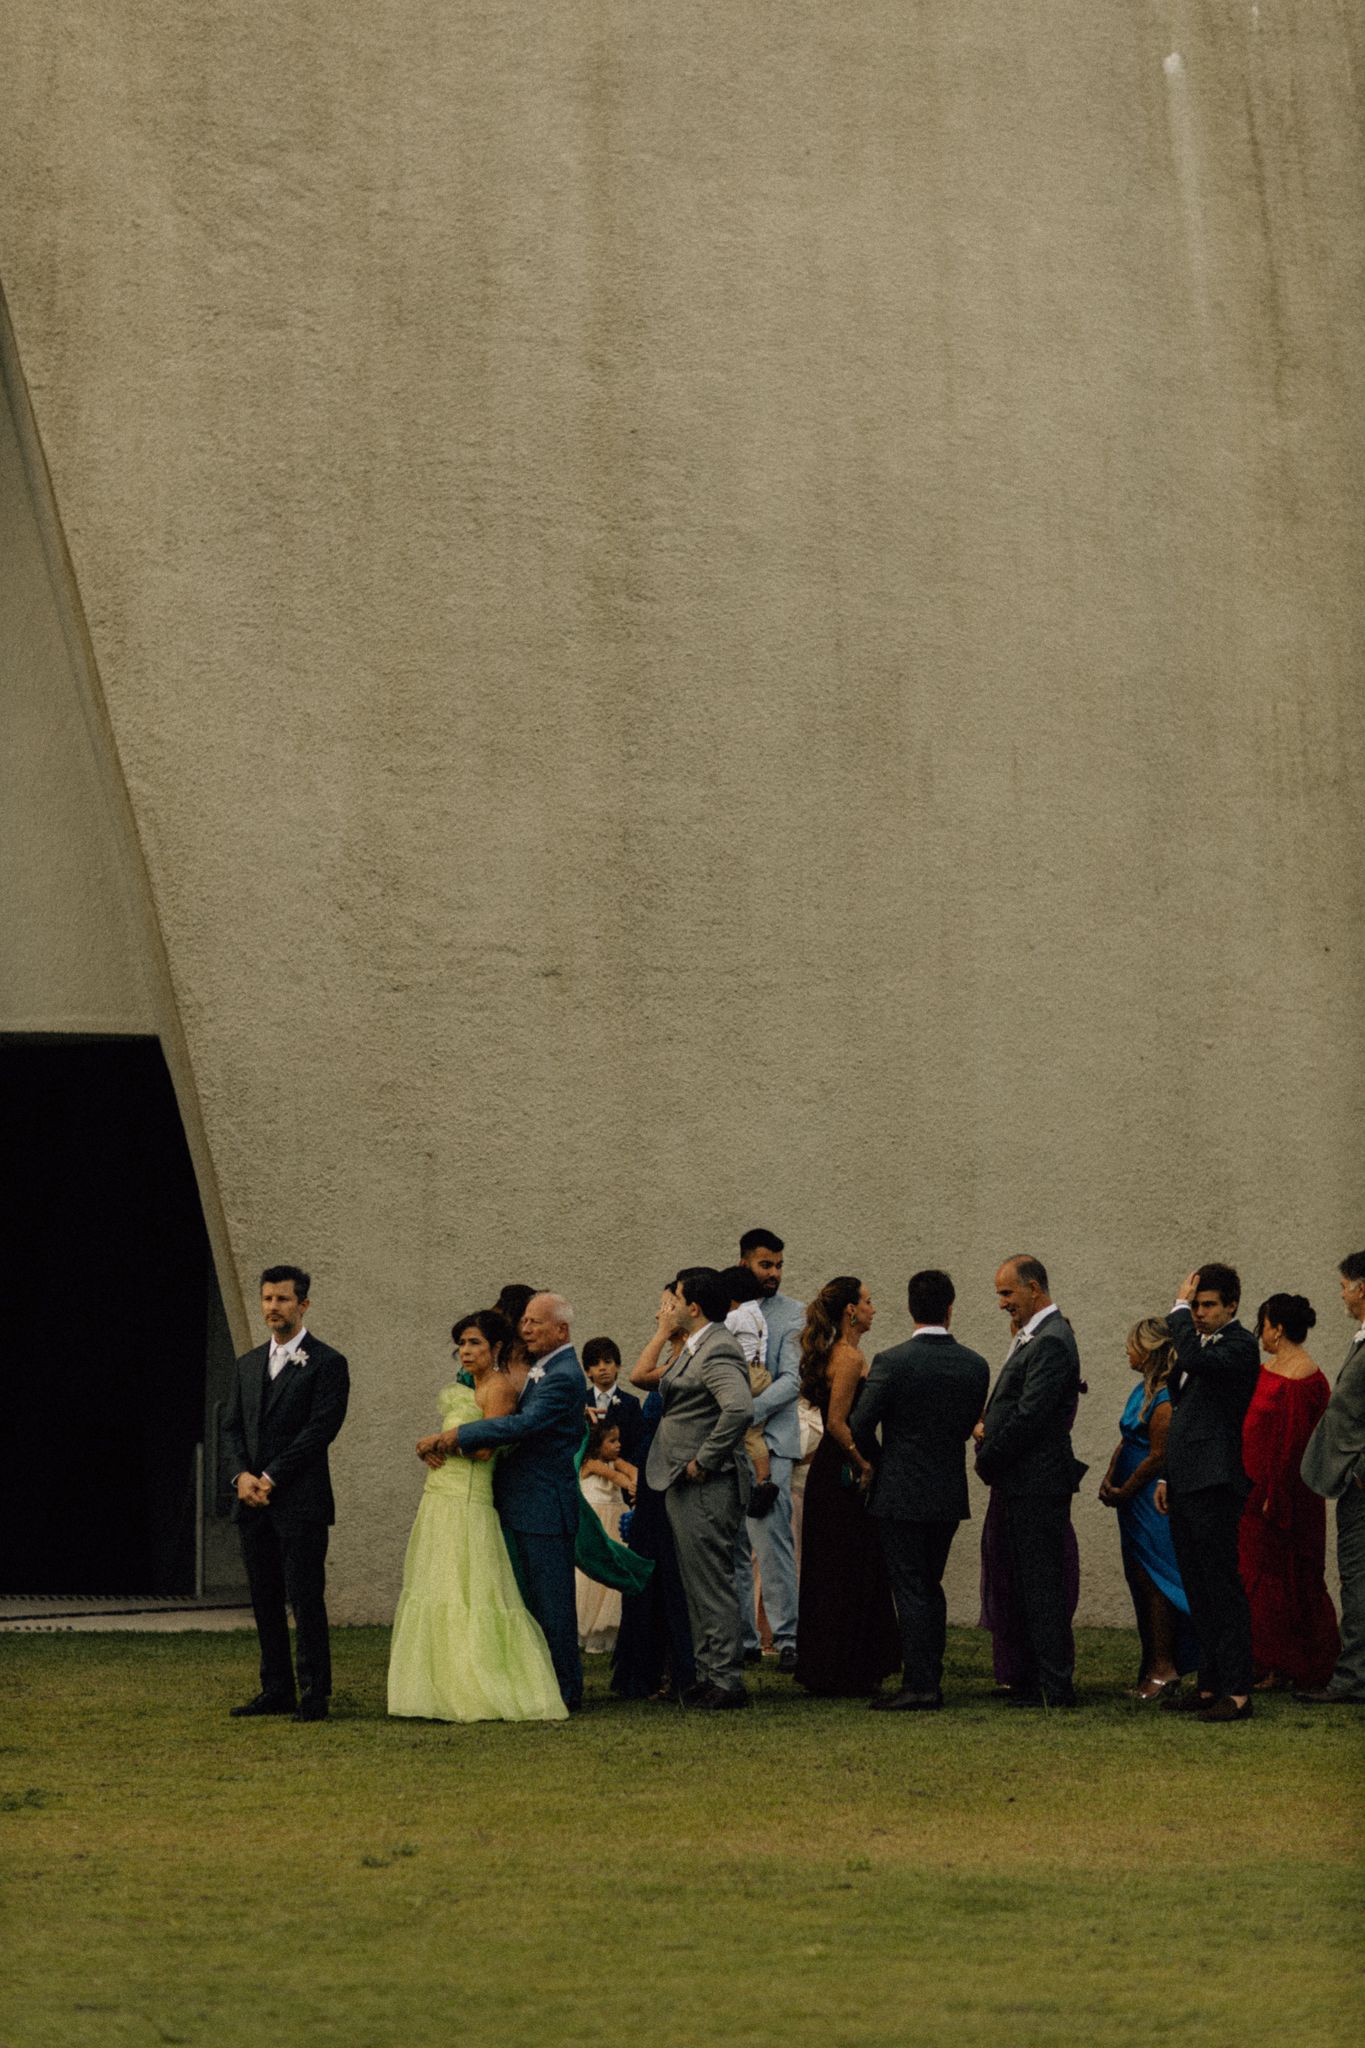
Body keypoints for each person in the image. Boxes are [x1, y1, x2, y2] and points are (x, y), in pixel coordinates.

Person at [388, 1312, 566, 1722]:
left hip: (469, 1499)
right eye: (461, 1345)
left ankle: (476, 1685)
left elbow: (486, 1447)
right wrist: (429, 1447)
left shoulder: (499, 1388)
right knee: (439, 1587)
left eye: (474, 1344)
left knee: (470, 1592)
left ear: (496, 1348)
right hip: (442, 1496)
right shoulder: (470, 1387)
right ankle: (439, 1687)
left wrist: (437, 1441)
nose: (466, 1353)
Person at [418, 1291, 586, 1712]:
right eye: (525, 1321)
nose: (526, 1328)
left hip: (545, 1505)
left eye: (536, 1323)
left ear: (561, 1330)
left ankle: (566, 1690)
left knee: (554, 1605)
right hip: (521, 1501)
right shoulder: (539, 1370)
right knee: (530, 1601)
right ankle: (542, 1683)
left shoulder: (564, 1374)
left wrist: (453, 1437)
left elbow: (524, 1424)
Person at [852, 1269, 989, 1710]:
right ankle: (931, 1676)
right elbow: (969, 1425)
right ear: (951, 1308)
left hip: (900, 1489)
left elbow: (859, 1424)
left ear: (911, 1308)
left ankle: (921, 1684)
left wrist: (879, 1460)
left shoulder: (892, 1361)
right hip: (948, 1488)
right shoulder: (974, 1365)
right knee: (931, 1584)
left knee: (909, 1586)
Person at [222, 1265, 350, 1722]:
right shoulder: (248, 1364)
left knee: (305, 1597)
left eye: (282, 1299)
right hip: (251, 1503)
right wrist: (241, 1477)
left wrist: (271, 1478)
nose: (273, 1307)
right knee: (264, 1598)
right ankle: (275, 1688)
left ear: (303, 1305)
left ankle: (314, 1692)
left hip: (300, 1502)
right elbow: (231, 1427)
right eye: (267, 1299)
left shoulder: (329, 1363)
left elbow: (319, 1431)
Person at [635, 1269, 753, 1708]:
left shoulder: (718, 1347)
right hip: (681, 1481)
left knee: (711, 1583)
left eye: (676, 1298)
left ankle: (725, 1679)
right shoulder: (696, 1347)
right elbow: (644, 1376)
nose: (670, 1305)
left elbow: (739, 1408)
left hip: (707, 1484)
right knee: (696, 1582)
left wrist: (705, 1459)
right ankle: (707, 1675)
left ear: (694, 1307)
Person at [974, 1255, 1085, 1709]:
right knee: (1022, 1581)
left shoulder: (1053, 1340)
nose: (1001, 1304)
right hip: (1023, 1481)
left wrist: (988, 1458)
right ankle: (1031, 1677)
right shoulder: (1036, 1337)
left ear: (1034, 1288)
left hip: (1035, 1482)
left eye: (1007, 1294)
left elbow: (1031, 1416)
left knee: (1041, 1584)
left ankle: (1055, 1685)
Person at [1155, 1263, 1261, 1723]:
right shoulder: (1199, 1345)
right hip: (1187, 1480)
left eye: (1208, 1305)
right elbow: (1186, 1414)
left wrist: (1176, 1309)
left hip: (1216, 1482)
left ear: (1232, 1305)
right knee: (1196, 1586)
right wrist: (1166, 1476)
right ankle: (1209, 1683)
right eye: (1195, 1305)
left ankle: (1238, 1690)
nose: (1199, 1313)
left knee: (1221, 1587)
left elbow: (1196, 1365)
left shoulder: (1239, 1345)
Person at [793, 1276, 900, 1697]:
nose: (875, 1308)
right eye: (869, 1302)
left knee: (834, 1568)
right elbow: (837, 1422)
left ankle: (834, 1662)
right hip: (842, 1473)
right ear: (850, 1311)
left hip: (828, 1473)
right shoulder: (850, 1357)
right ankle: (847, 1666)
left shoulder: (832, 1353)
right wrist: (862, 1462)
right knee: (851, 1567)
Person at [1238, 1294, 1338, 1691]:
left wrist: (1274, 1494)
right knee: (1255, 1575)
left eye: (1262, 1323)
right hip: (1256, 1488)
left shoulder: (1302, 1377)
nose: (1259, 1331)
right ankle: (1263, 1659)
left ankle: (1289, 1663)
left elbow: (1295, 1444)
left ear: (1277, 1328)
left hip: (1282, 1495)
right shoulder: (1272, 1368)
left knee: (1285, 1577)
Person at [1097, 1317, 1197, 1699]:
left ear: (1150, 1350)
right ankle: (1152, 1663)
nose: (1127, 1351)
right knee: (1139, 1580)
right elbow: (1126, 1438)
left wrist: (1126, 1489)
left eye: (1132, 1345)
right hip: (1128, 1496)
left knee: (1156, 1581)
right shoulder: (1141, 1391)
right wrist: (1110, 1477)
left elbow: (1158, 1455)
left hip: (1147, 1502)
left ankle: (1164, 1667)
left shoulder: (1165, 1398)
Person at [1297, 1251, 1365, 1704]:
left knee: (1358, 1579)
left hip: (1360, 1484)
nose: (1341, 1293)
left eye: (1344, 1285)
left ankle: (1353, 1678)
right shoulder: (1360, 1340)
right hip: (1351, 1481)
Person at [735, 1227, 803, 1672]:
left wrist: (745, 1412)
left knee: (771, 1542)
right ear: (744, 1263)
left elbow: (792, 1380)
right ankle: (741, 1638)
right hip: (727, 1445)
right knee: (733, 1546)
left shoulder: (794, 1314)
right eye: (765, 1265)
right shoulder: (726, 1310)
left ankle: (786, 1638)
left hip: (772, 1444)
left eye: (778, 1265)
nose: (774, 1273)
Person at [611, 1363, 697, 1703]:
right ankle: (647, 1671)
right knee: (647, 1576)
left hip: (671, 1477)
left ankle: (679, 1671)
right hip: (648, 1477)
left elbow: (638, 1377)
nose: (661, 1312)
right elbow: (640, 1373)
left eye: (669, 1306)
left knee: (674, 1577)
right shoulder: (662, 1367)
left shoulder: (693, 1363)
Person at [575, 1416, 638, 1653]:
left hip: (615, 1518)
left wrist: (637, 1481)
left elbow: (632, 1471)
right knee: (588, 1577)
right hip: (597, 1519)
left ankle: (609, 1626)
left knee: (615, 1564)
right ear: (596, 1444)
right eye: (612, 1441)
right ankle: (585, 1626)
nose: (618, 1445)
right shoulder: (590, 1463)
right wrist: (629, 1485)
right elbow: (616, 1477)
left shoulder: (617, 1461)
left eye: (618, 1440)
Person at [720, 1265, 777, 1513]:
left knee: (739, 1428)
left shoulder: (735, 1316)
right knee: (755, 1432)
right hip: (762, 1372)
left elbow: (718, 1336)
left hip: (745, 1374)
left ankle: (754, 1481)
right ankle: (763, 1480)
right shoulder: (757, 1313)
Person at [582, 1334, 645, 1463]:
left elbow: (638, 1445)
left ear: (617, 1366)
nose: (602, 1368)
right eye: (595, 1364)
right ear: (588, 1371)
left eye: (607, 1361)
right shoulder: (580, 1402)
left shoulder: (630, 1403)